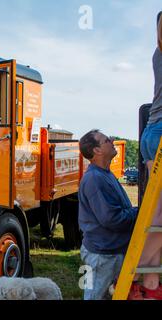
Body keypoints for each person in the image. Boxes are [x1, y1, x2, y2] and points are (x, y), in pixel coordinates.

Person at [78, 130, 139, 300]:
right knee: (94, 297)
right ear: (96, 151)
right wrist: (138, 212)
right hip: (102, 256)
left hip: (105, 253)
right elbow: (112, 219)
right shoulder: (95, 179)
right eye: (106, 140)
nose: (112, 140)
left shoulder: (104, 174)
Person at [135, 11, 162, 300]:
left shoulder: (157, 53)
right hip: (159, 134)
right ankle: (133, 267)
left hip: (153, 133)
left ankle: (150, 283)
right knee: (160, 212)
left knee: (158, 213)